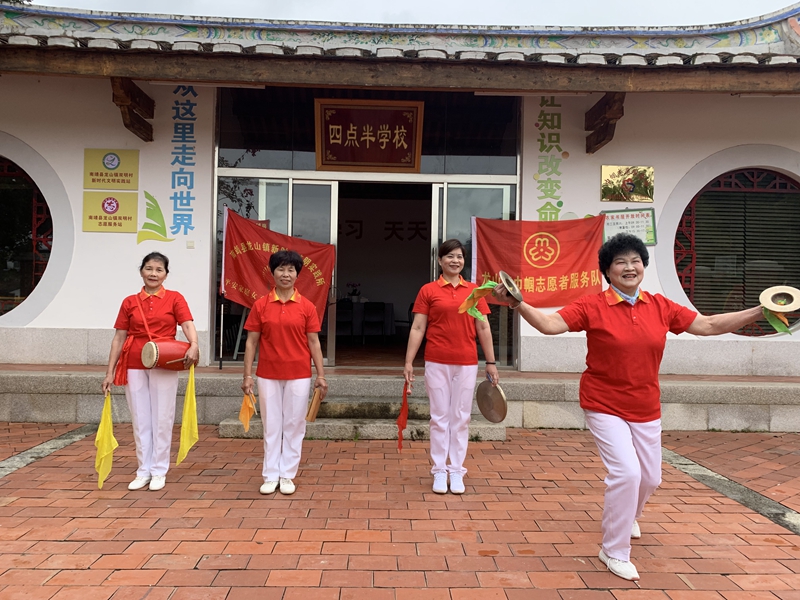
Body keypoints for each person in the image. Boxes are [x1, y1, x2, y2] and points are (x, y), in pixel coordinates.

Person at [494, 233, 762, 581]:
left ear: (643, 266)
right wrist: (517, 303)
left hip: (645, 404)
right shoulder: (592, 306)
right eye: (620, 262)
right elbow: (550, 325)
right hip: (603, 403)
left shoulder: (660, 306)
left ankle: (628, 515)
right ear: (608, 271)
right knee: (626, 474)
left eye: (636, 260)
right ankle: (614, 550)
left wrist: (760, 311)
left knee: (650, 478)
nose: (629, 267)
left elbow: (708, 325)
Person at [404, 239, 499, 495]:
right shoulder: (428, 290)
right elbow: (418, 327)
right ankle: (438, 470)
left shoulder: (474, 291)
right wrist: (409, 362)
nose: (455, 261)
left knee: (461, 417)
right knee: (439, 417)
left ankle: (456, 470)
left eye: (459, 256)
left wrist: (490, 363)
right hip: (436, 361)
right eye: (450, 256)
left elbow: (483, 327)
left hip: (467, 362)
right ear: (440, 260)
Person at [102, 252, 199, 492]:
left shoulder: (175, 298)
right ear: (141, 271)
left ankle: (159, 470)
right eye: (149, 268)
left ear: (165, 274)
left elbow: (187, 324)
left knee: (162, 418)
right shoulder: (129, 302)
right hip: (134, 363)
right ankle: (143, 470)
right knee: (140, 418)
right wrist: (109, 372)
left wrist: (194, 344)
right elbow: (119, 338)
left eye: (158, 269)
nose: (153, 273)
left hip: (165, 360)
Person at [241, 250, 328, 496]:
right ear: (273, 272)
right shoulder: (261, 305)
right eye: (281, 269)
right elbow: (251, 343)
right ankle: (270, 475)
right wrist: (247, 376)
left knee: (294, 425)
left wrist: (321, 375)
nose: (286, 274)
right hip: (267, 374)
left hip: (299, 374)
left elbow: (314, 343)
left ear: (298, 274)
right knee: (271, 425)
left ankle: (287, 474)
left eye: (291, 270)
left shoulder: (306, 306)